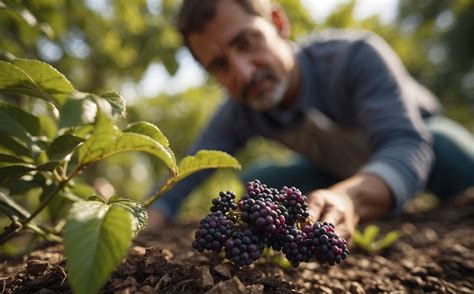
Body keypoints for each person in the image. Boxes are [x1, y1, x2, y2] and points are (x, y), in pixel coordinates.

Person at [147, 0, 474, 242]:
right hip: (339, 173)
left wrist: (349, 198)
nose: (243, 73)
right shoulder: (239, 110)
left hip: (420, 151)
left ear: (278, 22)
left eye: (247, 42)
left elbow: (405, 143)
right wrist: (134, 221)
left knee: (445, 147)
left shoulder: (353, 57)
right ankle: (371, 203)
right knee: (261, 182)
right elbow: (183, 179)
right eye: (220, 65)